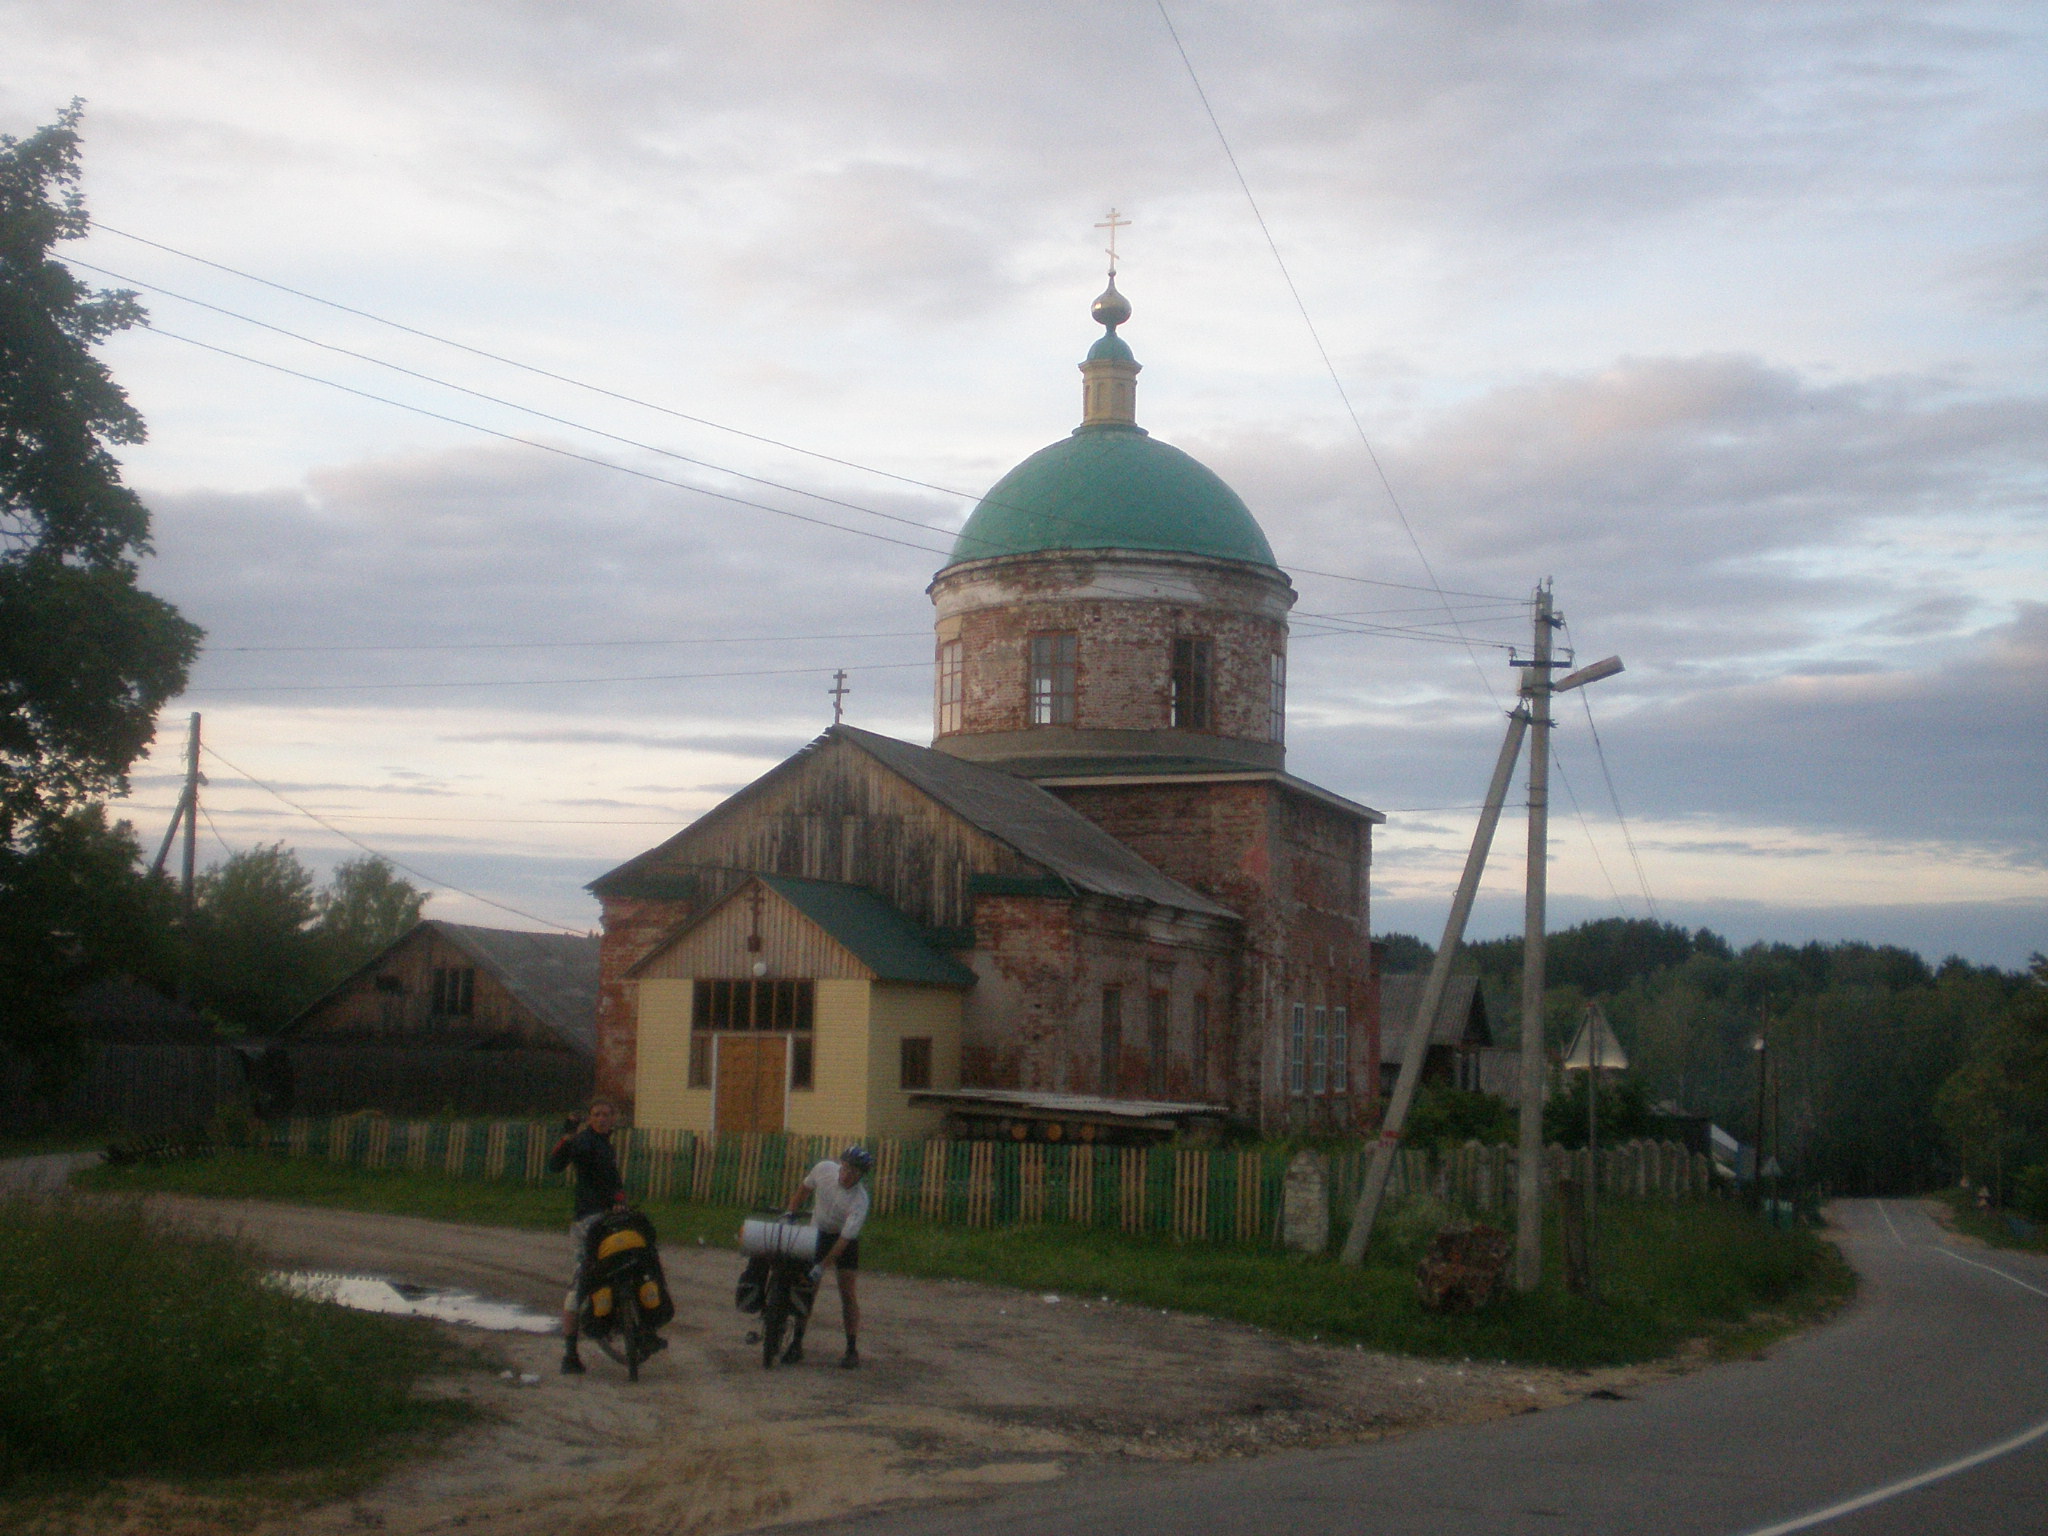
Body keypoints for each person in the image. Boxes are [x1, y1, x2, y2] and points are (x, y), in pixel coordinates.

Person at [548, 1098, 624, 1375]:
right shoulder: (585, 1142)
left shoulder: (606, 1145)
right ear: (590, 1118)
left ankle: (620, 1317)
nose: (602, 1119)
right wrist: (568, 1135)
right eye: (597, 1114)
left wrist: (619, 1199)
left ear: (614, 1118)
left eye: (606, 1114)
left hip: (607, 1217)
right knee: (582, 1280)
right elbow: (556, 1164)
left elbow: (611, 1181)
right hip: (588, 1220)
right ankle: (570, 1353)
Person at [784, 1144, 873, 1368]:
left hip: (843, 1241)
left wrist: (821, 1266)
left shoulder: (860, 1200)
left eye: (854, 1172)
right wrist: (790, 1212)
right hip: (818, 1233)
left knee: (847, 1293)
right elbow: (804, 1188)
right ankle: (796, 1344)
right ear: (840, 1164)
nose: (847, 1174)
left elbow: (844, 1240)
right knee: (807, 1290)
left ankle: (851, 1349)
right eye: (845, 1168)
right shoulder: (824, 1169)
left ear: (861, 1176)